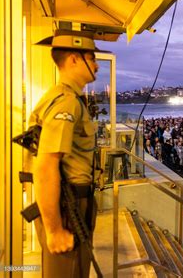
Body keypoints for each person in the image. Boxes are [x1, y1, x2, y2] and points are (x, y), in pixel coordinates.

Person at [29, 30, 108, 277]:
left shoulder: (64, 97)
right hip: (68, 206)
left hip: (70, 201)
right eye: (91, 58)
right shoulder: (66, 102)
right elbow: (45, 166)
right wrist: (54, 230)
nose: (96, 65)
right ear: (74, 58)